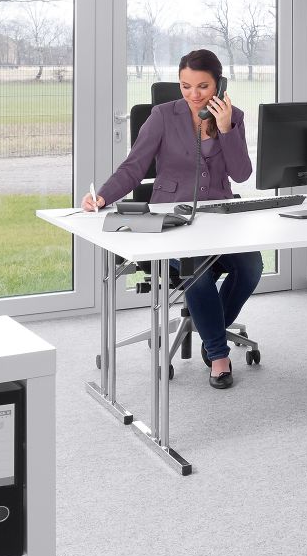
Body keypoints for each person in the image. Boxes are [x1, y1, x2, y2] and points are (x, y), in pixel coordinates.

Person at [83, 48, 262, 390]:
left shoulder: (233, 116)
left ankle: (211, 329)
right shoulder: (163, 116)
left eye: (203, 87)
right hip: (172, 220)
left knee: (251, 266)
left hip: (219, 219)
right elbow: (134, 166)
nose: (194, 95)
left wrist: (226, 129)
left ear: (220, 85)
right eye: (185, 86)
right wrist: (103, 196)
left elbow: (241, 174)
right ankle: (218, 354)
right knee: (197, 272)